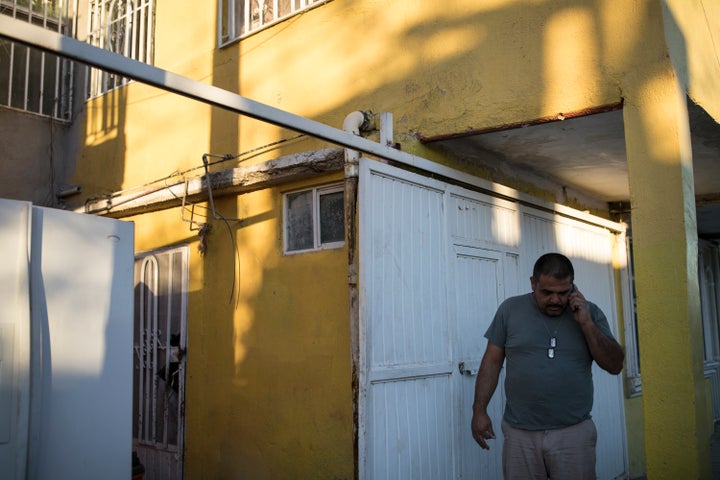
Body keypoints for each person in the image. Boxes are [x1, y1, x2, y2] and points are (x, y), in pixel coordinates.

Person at [471, 252, 624, 480]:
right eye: (547, 292)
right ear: (533, 283)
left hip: (573, 433)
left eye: (563, 293)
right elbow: (491, 363)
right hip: (520, 433)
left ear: (572, 286)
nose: (555, 300)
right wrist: (479, 410)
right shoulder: (510, 310)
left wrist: (586, 323)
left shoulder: (589, 312)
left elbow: (614, 365)